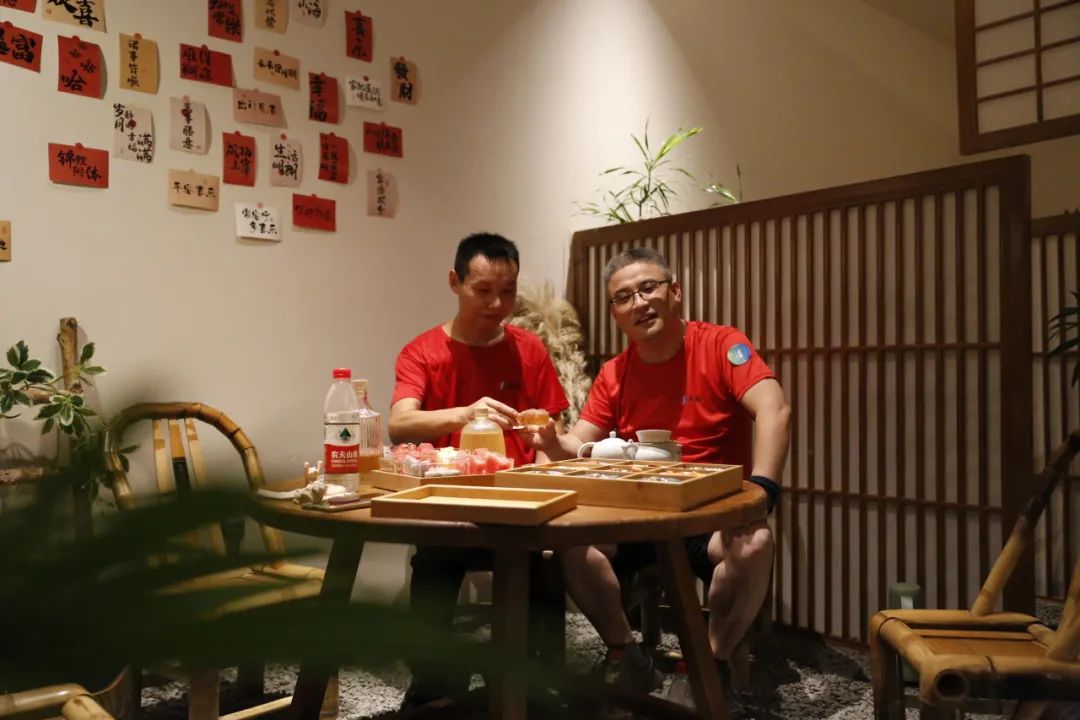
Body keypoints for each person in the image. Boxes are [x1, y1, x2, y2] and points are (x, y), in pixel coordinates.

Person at [528, 246, 791, 698]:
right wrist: (551, 441)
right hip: (638, 513)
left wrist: (764, 488)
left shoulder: (721, 344)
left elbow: (774, 408)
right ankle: (626, 654)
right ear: (615, 313)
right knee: (570, 544)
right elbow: (580, 443)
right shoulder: (615, 373)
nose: (639, 303)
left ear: (675, 293)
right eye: (623, 297)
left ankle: (707, 665)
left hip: (708, 514)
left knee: (756, 544)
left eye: (648, 288)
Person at [389, 232, 570, 712]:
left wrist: (544, 484)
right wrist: (465, 413)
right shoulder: (423, 351)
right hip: (451, 504)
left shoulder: (529, 349)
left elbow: (549, 431)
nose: (497, 304)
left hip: (519, 503)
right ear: (455, 282)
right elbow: (399, 423)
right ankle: (431, 681)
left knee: (544, 564)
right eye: (483, 290)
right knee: (434, 561)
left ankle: (537, 679)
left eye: (507, 292)